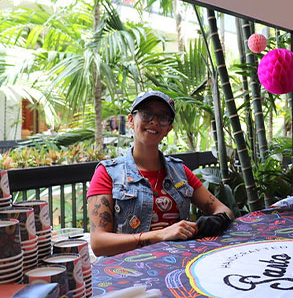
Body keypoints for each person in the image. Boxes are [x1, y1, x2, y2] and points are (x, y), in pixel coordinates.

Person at [87, 90, 233, 257]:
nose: (154, 122)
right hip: (126, 272)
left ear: (168, 129)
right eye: (146, 114)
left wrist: (211, 222)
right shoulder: (108, 173)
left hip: (179, 265)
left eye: (162, 118)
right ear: (130, 120)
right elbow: (98, 243)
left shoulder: (179, 172)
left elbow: (224, 210)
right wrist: (161, 235)